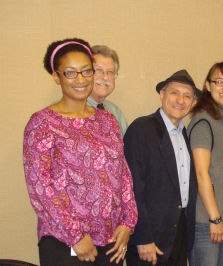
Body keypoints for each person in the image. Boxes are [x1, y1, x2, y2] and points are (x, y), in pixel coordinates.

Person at [23, 38, 137, 266]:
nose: (81, 79)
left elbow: (122, 173)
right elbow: (40, 188)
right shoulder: (42, 123)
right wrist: (75, 236)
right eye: (71, 73)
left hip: (111, 239)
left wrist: (128, 222)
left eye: (86, 71)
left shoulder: (107, 120)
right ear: (57, 76)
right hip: (66, 243)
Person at [124, 70, 199, 266]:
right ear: (162, 94)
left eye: (187, 96)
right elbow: (132, 189)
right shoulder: (141, 129)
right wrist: (143, 237)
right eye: (174, 93)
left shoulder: (186, 135)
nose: (180, 100)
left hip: (179, 234)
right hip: (150, 238)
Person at [187, 62, 223, 266]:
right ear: (207, 86)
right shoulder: (204, 121)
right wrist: (215, 218)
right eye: (219, 82)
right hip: (208, 222)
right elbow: (201, 174)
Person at [88, 45, 127, 136]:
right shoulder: (71, 109)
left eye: (110, 72)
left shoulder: (115, 112)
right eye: (98, 70)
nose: (105, 77)